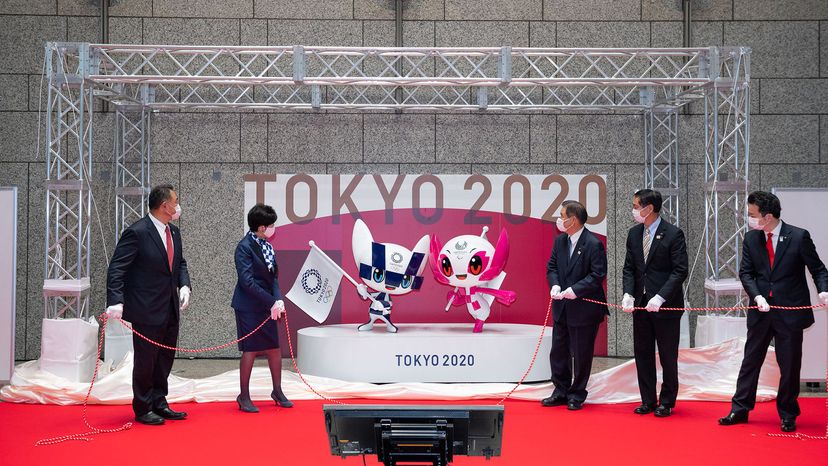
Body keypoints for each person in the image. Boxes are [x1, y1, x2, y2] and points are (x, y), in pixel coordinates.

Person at [718, 191, 828, 433]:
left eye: (752, 215)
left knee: (789, 365)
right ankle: (740, 408)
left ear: (767, 217)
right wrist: (756, 296)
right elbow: (746, 273)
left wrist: (824, 290)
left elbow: (818, 269)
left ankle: (788, 413)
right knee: (750, 360)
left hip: (789, 312)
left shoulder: (798, 237)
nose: (749, 219)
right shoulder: (751, 239)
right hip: (760, 312)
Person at [105, 184, 192, 426]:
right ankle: (143, 407)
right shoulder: (137, 232)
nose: (178, 205)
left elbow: (180, 264)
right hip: (146, 309)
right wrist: (115, 301)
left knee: (165, 357)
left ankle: (159, 401)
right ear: (165, 205)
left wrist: (184, 285)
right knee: (146, 360)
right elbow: (117, 269)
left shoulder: (173, 232)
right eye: (175, 201)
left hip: (170, 307)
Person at [621, 189, 688, 418]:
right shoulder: (633, 234)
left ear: (649, 208)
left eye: (636, 206)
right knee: (643, 353)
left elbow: (680, 270)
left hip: (666, 306)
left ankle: (667, 401)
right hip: (641, 305)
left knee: (668, 355)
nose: (634, 210)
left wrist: (661, 296)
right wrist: (628, 293)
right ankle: (648, 400)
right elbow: (629, 267)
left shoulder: (673, 234)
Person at [542, 200, 609, 410]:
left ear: (573, 219)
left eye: (562, 216)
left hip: (583, 310)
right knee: (558, 351)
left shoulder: (593, 243)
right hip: (562, 308)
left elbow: (598, 274)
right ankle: (560, 390)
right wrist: (555, 285)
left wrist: (575, 290)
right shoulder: (560, 242)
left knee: (581, 354)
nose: (559, 220)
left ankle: (577, 393)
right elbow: (552, 266)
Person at [231, 203, 292, 413]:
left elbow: (273, 276)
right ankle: (244, 396)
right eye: (271, 224)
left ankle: (277, 390)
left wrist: (278, 299)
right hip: (248, 306)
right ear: (261, 227)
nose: (274, 228)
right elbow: (247, 282)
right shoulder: (244, 247)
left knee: (274, 348)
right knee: (251, 350)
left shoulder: (267, 245)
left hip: (268, 306)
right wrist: (271, 301)